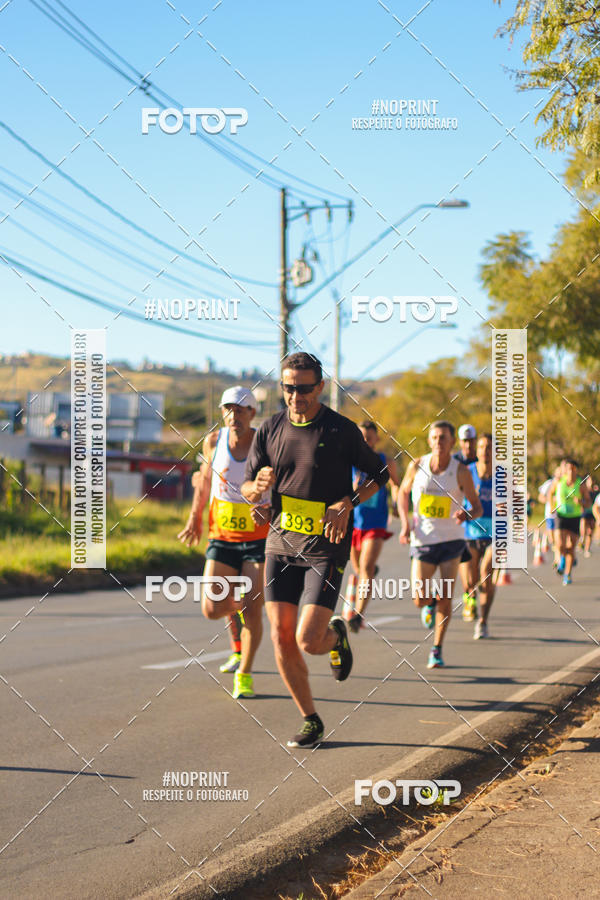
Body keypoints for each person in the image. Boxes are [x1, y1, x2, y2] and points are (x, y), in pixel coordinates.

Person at [241, 353, 389, 748]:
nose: (296, 396)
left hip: (327, 545)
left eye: (304, 388)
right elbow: (247, 484)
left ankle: (335, 636)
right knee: (281, 636)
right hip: (280, 544)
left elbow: (379, 474)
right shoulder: (269, 429)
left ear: (320, 387)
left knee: (308, 639)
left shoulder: (341, 430)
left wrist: (348, 503)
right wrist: (256, 491)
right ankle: (310, 719)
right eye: (289, 388)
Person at [178, 387, 270, 699]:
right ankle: (240, 609)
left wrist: (270, 506)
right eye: (228, 409)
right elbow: (204, 481)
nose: (234, 416)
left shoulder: (266, 442)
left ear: (252, 413)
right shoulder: (214, 442)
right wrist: (195, 517)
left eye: (241, 409)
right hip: (223, 535)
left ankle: (244, 673)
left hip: (258, 538)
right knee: (211, 608)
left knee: (253, 612)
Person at [398, 421, 482, 668]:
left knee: (446, 597)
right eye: (434, 437)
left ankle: (436, 649)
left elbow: (477, 507)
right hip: (423, 540)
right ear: (429, 441)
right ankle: (429, 604)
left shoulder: (461, 472)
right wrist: (405, 523)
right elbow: (402, 493)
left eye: (443, 438)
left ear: (452, 442)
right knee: (418, 597)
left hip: (451, 541)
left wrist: (466, 515)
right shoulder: (417, 465)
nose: (439, 442)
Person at [343, 421, 400, 633]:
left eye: (369, 437)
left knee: (366, 569)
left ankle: (358, 614)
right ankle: (367, 576)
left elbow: (396, 485)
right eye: (361, 437)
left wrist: (395, 503)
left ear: (376, 439)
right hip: (353, 522)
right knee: (358, 569)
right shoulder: (348, 461)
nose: (365, 441)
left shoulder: (385, 461)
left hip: (375, 523)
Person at [459, 434, 495, 639]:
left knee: (486, 575)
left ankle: (483, 621)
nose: (485, 451)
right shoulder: (467, 472)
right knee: (470, 581)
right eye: (481, 447)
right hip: (470, 531)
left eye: (489, 447)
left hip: (495, 534)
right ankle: (469, 596)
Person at [547, 458, 590, 585]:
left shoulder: (580, 484)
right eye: (568, 469)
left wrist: (581, 502)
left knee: (571, 547)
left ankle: (568, 574)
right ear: (565, 470)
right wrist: (551, 506)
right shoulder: (559, 481)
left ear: (576, 470)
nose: (570, 471)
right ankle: (561, 559)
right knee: (560, 544)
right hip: (561, 515)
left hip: (575, 517)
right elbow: (550, 493)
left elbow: (588, 502)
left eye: (573, 469)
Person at [538, 466, 561, 560]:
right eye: (558, 472)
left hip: (561, 515)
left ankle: (559, 558)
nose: (560, 474)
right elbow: (540, 497)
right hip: (550, 514)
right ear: (555, 473)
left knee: (559, 538)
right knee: (552, 539)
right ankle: (558, 556)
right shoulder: (549, 483)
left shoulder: (565, 483)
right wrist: (550, 499)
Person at [580, 475, 598, 558]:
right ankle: (582, 539)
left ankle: (587, 549)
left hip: (593, 513)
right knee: (583, 528)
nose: (591, 482)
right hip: (584, 512)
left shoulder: (596, 491)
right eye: (589, 480)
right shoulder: (583, 491)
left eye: (592, 480)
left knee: (590, 532)